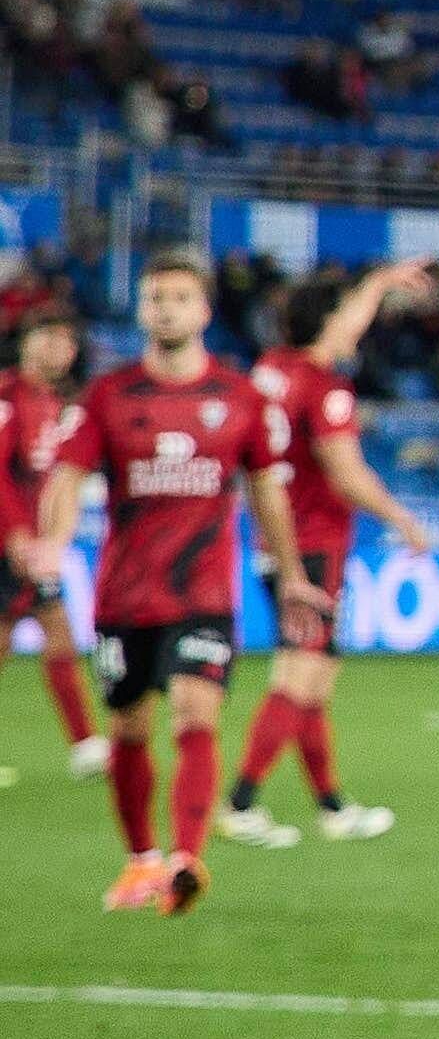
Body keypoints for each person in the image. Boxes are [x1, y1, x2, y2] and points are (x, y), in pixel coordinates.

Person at [49, 258, 317, 913]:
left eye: (180, 297)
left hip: (204, 594)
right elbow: (65, 478)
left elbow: (267, 493)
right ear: (142, 312)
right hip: (126, 596)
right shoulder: (110, 397)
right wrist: (53, 542)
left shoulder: (239, 398)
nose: (166, 307)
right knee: (131, 729)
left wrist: (292, 576)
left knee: (196, 713)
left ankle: (186, 858)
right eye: (154, 297)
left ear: (203, 312)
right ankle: (141, 860)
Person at [225, 263, 422, 845]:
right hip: (311, 546)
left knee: (315, 679)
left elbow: (336, 324)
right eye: (346, 318)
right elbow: (345, 471)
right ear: (325, 323)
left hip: (270, 537)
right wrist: (401, 516)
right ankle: (240, 803)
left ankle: (332, 807)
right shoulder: (326, 389)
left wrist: (380, 282)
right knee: (299, 673)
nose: (355, 330)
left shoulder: (269, 372)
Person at [3, 306, 99, 775]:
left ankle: (85, 744)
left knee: (57, 629)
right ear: (26, 343)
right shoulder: (7, 396)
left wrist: (49, 538)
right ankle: (85, 743)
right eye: (47, 337)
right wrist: (17, 535)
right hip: (8, 541)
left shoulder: (60, 405)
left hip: (34, 545)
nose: (58, 348)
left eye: (66, 340)